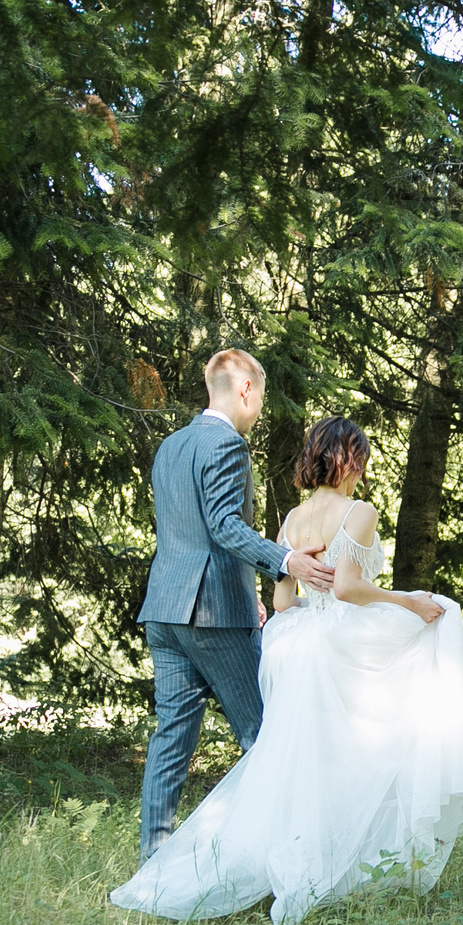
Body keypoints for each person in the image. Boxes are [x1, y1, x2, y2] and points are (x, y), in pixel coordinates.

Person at [113, 414, 463, 925]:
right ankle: (341, 861)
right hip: (337, 642)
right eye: (363, 458)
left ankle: (305, 862)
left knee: (307, 763)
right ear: (351, 459)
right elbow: (349, 589)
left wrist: (313, 596)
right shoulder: (360, 511)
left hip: (296, 644)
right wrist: (409, 602)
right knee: (412, 671)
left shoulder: (292, 519)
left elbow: (283, 601)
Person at [135, 349, 338, 863]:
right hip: (212, 614)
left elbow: (191, 533)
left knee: (171, 739)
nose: (259, 409)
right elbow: (224, 526)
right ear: (246, 389)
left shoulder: (170, 447)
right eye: (261, 398)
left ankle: (153, 863)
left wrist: (248, 590)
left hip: (164, 609)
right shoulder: (227, 444)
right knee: (265, 733)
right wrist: (287, 561)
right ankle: (281, 863)